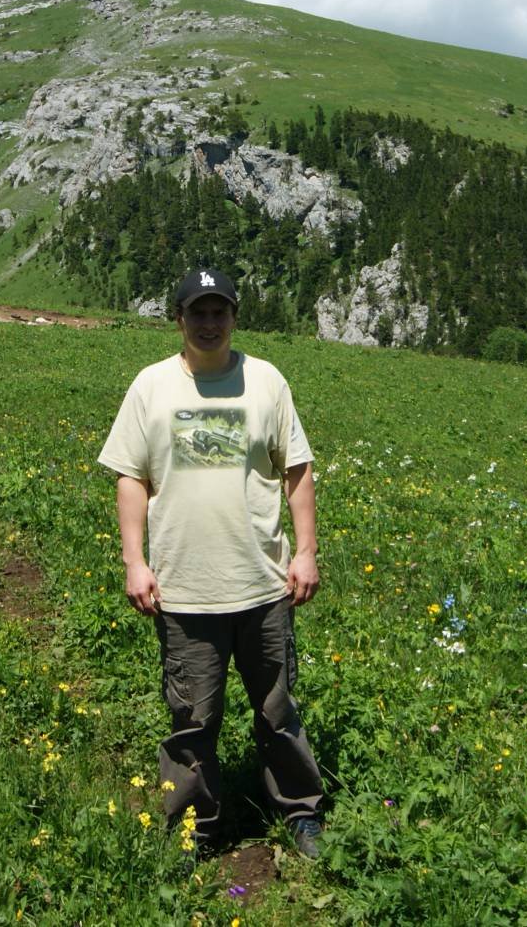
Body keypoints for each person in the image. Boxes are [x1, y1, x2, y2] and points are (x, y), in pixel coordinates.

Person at [96, 266, 326, 859]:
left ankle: (301, 814)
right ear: (179, 319)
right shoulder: (150, 386)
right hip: (185, 590)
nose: (208, 323)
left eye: (218, 311)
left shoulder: (267, 382)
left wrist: (305, 552)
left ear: (234, 316)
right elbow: (130, 478)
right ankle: (196, 828)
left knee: (278, 710)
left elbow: (297, 471)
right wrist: (134, 562)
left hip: (262, 584)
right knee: (192, 719)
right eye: (196, 312)